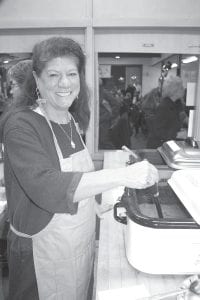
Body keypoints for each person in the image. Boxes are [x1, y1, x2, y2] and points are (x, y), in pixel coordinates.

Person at [0, 36, 158, 300]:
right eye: (53, 74)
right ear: (37, 81)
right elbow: (47, 187)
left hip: (77, 243)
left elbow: (76, 175)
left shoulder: (68, 118)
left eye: (71, 73)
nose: (65, 83)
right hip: (40, 253)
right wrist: (124, 175)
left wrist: (91, 205)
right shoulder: (21, 125)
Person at [146, 75, 185, 148]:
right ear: (174, 90)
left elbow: (169, 125)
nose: (183, 89)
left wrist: (178, 129)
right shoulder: (164, 107)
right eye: (181, 87)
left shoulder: (174, 105)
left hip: (166, 144)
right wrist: (177, 135)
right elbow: (158, 132)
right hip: (158, 147)